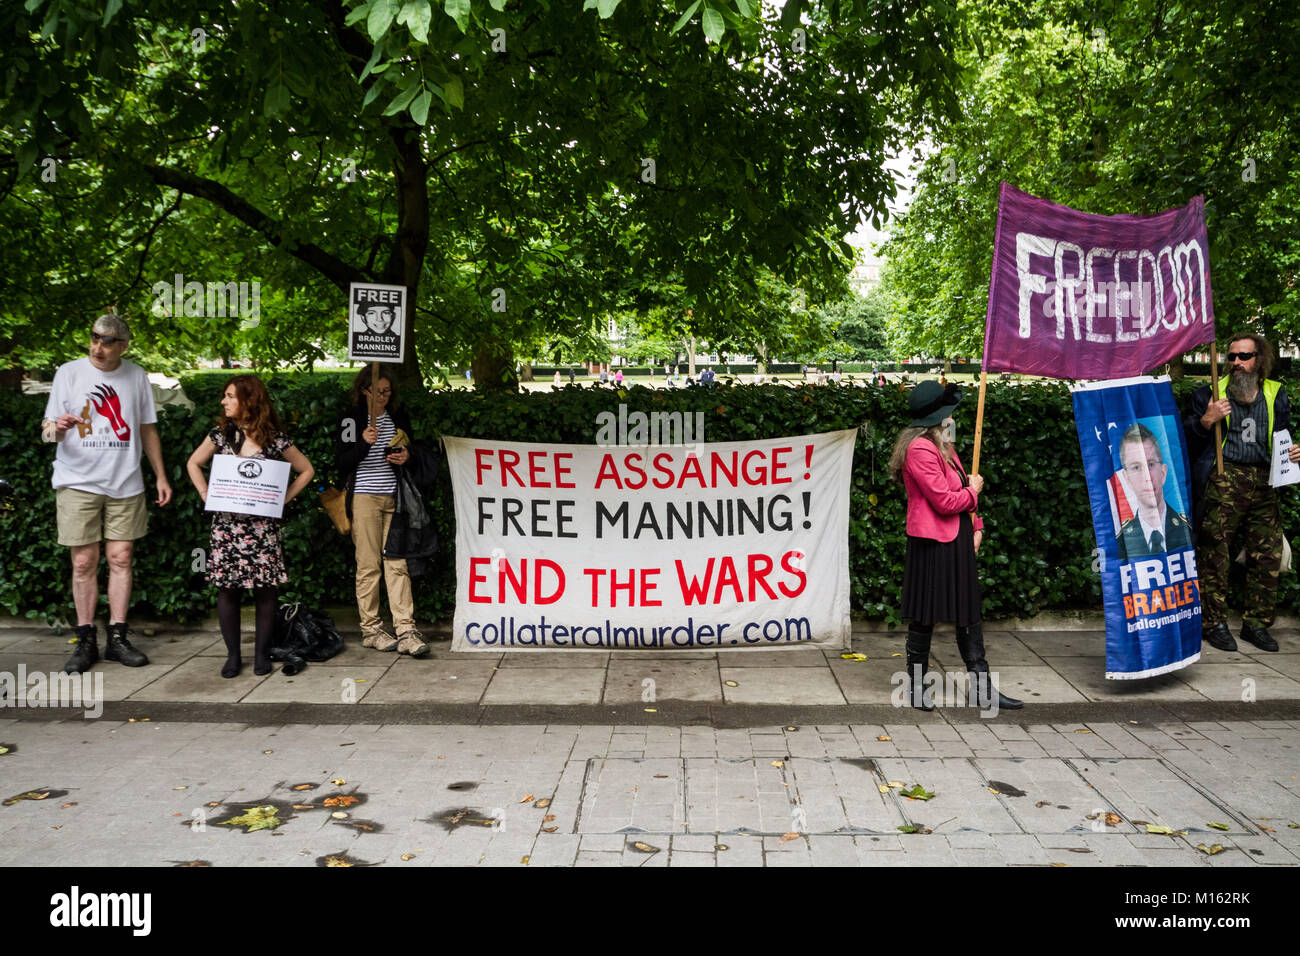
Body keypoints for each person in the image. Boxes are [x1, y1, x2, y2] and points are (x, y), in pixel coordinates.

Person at [42, 312, 172, 675]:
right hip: (77, 481)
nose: (98, 347)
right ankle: (85, 639)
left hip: (125, 481)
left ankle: (117, 637)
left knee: (122, 557)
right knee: (83, 562)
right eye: (94, 338)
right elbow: (47, 431)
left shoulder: (136, 376)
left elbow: (147, 429)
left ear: (123, 346)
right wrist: (59, 428)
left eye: (107, 341)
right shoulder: (68, 372)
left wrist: (160, 475)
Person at [890, 381, 1022, 711]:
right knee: (924, 616)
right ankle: (917, 688)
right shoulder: (920, 449)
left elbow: (960, 487)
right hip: (932, 543)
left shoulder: (943, 446)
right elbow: (946, 501)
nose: (952, 419)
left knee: (968, 613)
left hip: (958, 539)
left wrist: (976, 526)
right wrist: (975, 491)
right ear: (938, 417)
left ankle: (982, 689)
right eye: (948, 414)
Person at [186, 376, 314, 677]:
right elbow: (193, 463)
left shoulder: (275, 438)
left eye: (230, 396)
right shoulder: (220, 434)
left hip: (262, 528)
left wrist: (284, 498)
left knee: (265, 591)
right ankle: (232, 656)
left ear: (249, 400)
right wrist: (207, 495)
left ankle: (260, 655)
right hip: (228, 527)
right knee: (227, 590)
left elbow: (307, 470)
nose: (224, 401)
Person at [1185, 333, 1300, 653]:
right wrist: (1206, 421)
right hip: (1225, 477)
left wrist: (1291, 453)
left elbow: (1282, 438)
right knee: (1214, 553)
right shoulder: (1208, 393)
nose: (1236, 363)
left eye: (1244, 356)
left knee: (1267, 554)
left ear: (1259, 360)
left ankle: (1257, 624)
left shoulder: (1276, 394)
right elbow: (1187, 445)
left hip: (1264, 481)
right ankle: (1214, 623)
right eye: (1232, 356)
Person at [335, 366, 430, 657]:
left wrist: (406, 456)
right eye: (378, 392)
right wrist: (364, 443)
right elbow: (342, 462)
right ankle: (371, 629)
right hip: (364, 497)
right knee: (368, 564)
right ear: (364, 390)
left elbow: (411, 451)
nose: (383, 398)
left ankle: (406, 629)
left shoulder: (397, 417)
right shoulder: (350, 419)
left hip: (394, 497)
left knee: (397, 563)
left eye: (387, 392)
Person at [1115, 424, 1193, 559]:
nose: (1147, 477)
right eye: (1136, 467)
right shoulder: (1121, 543)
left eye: (1151, 464)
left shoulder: (1187, 531)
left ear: (1163, 472)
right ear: (1127, 479)